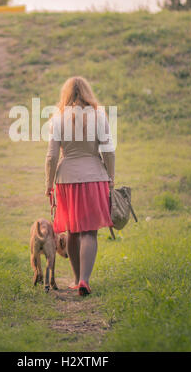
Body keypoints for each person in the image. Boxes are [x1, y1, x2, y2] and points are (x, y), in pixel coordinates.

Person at [45, 76, 115, 296]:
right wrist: (111, 177)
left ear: (65, 94)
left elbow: (51, 156)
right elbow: (109, 151)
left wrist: (48, 183)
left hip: (66, 179)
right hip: (94, 175)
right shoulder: (99, 115)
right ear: (87, 92)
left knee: (72, 231)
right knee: (89, 233)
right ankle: (85, 280)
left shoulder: (58, 118)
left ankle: (76, 280)